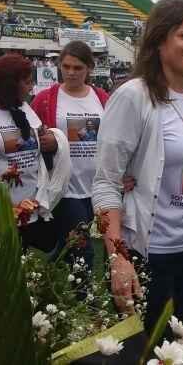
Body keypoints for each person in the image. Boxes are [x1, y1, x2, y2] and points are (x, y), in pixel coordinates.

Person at [92, 0, 183, 333]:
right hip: (151, 256)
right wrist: (117, 259)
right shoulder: (134, 96)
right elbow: (106, 182)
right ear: (159, 40)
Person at [0, 54, 69, 252]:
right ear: (8, 84)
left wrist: (54, 142)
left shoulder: (23, 107)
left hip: (28, 211)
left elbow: (41, 138)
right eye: (26, 82)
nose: (31, 87)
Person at [31, 41, 110, 273]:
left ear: (89, 69)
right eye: (66, 66)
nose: (71, 72)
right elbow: (31, 134)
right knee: (82, 249)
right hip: (66, 186)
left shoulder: (102, 97)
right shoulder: (45, 98)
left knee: (71, 245)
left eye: (78, 68)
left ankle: (48, 274)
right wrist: (46, 142)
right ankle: (82, 299)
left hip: (97, 184)